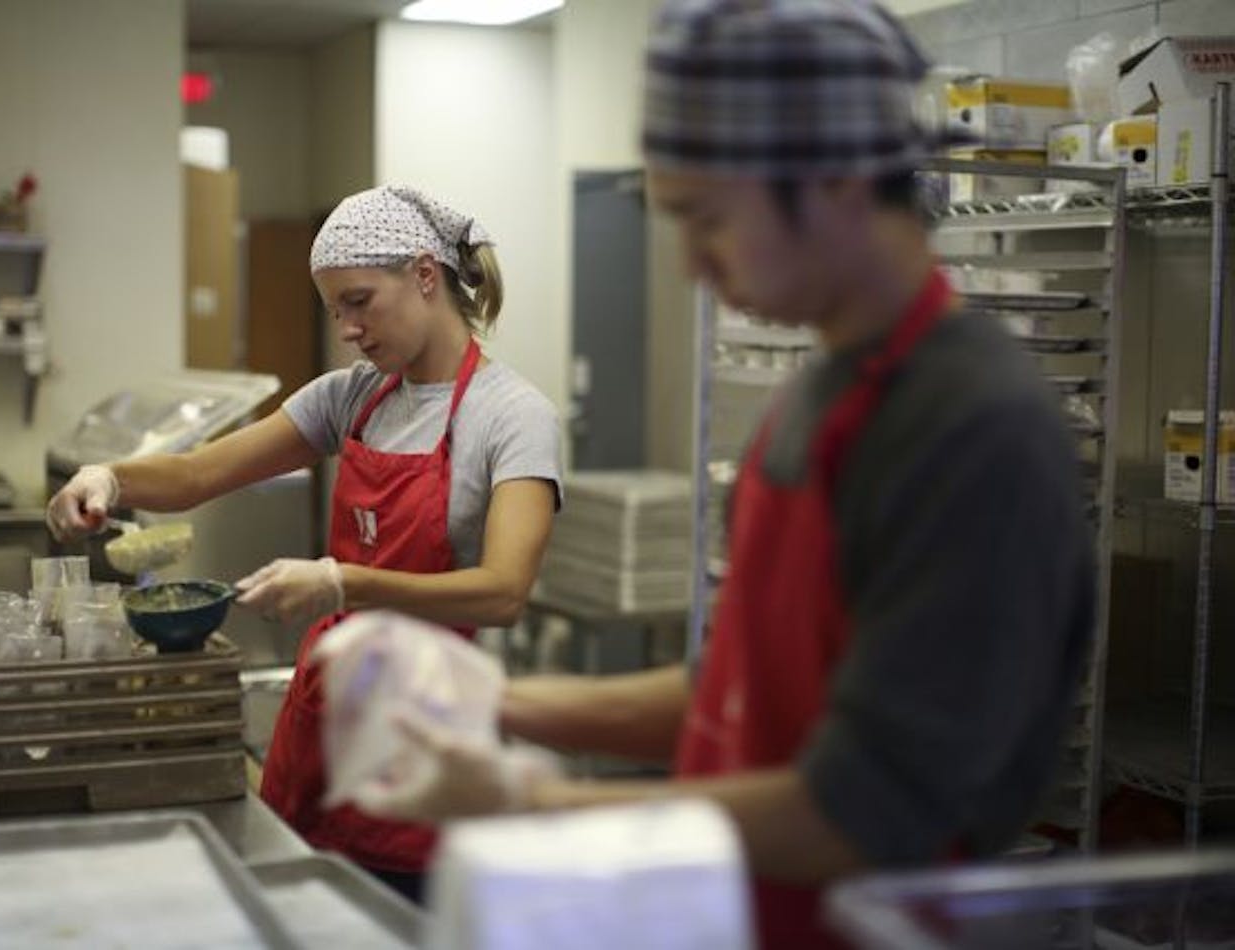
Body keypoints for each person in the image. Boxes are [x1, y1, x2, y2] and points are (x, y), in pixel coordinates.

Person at [351, 3, 1095, 947]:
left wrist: (535, 810)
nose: (693, 263)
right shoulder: (815, 394)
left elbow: (869, 810)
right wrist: (488, 703)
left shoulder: (972, 431)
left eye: (709, 218)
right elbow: (745, 684)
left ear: (831, 179)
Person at [46, 185, 562, 902]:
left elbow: (503, 591)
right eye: (335, 310)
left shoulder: (512, 417)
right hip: (319, 727)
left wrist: (343, 583)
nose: (347, 328)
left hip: (423, 744)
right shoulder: (353, 396)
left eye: (359, 301)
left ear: (423, 274)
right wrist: (109, 479)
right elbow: (198, 472)